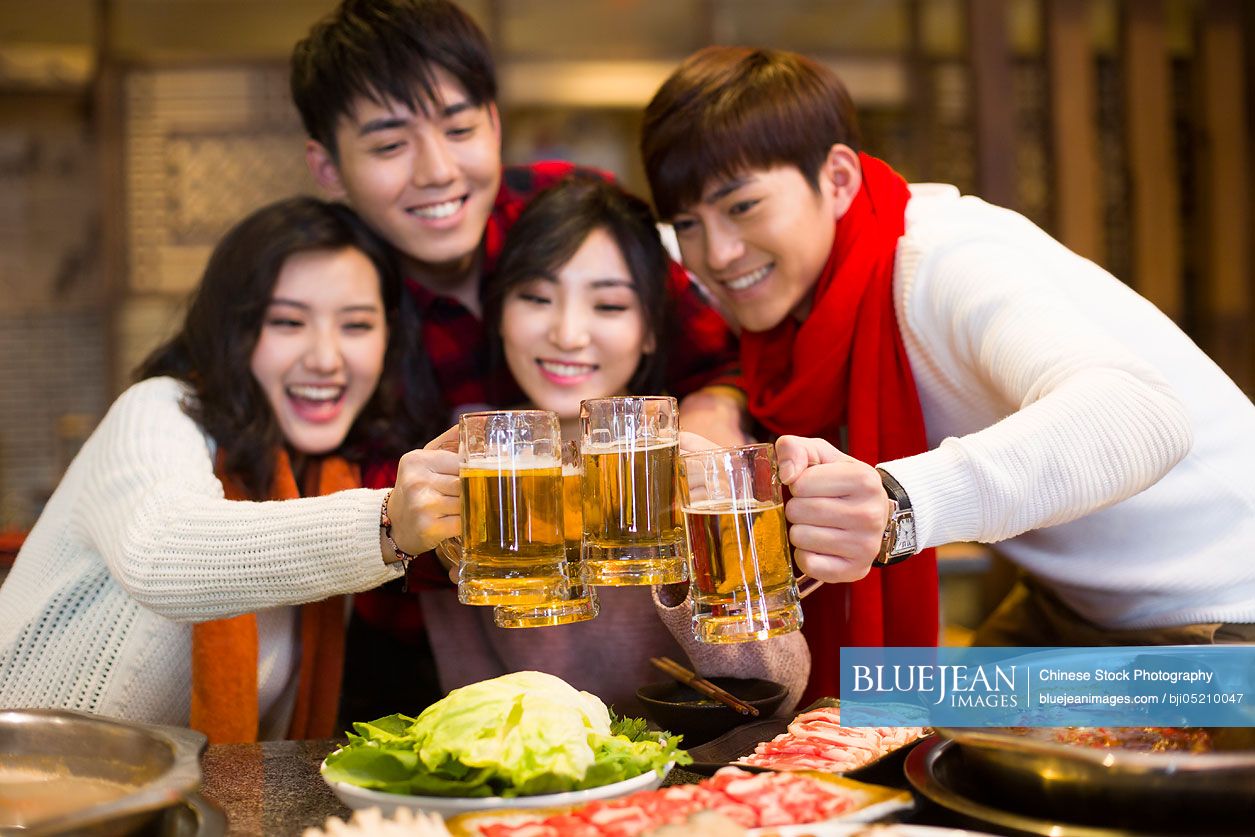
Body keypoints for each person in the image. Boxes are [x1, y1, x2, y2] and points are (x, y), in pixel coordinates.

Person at [639, 46, 1255, 701]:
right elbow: (614, 261)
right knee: (868, 732)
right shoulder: (797, 301)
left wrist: (898, 504)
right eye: (689, 224)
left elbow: (1139, 411)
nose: (717, 254)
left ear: (838, 178)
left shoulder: (940, 261)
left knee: (905, 744)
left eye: (742, 207)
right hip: (1078, 611)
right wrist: (718, 399)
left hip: (1222, 615)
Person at [288, 0, 747, 721]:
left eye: (461, 128)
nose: (437, 172)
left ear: (496, 122)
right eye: (388, 147)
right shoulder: (328, 289)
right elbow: (313, 475)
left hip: (621, 617)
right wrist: (411, 516)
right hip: (419, 643)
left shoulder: (565, 212)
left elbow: (718, 353)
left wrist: (712, 422)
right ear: (327, 166)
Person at [0, 197, 461, 742]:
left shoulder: (328, 477)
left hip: (159, 811)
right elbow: (161, 553)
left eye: (356, 326)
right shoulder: (158, 410)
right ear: (233, 331)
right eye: (287, 322)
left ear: (389, 339)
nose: (325, 358)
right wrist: (384, 525)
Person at [418, 174, 809, 716]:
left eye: (608, 306)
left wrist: (697, 550)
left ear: (650, 330)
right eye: (535, 297)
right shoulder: (471, 468)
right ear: (500, 316)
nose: (569, 334)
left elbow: (779, 690)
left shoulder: (704, 459)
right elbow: (469, 695)